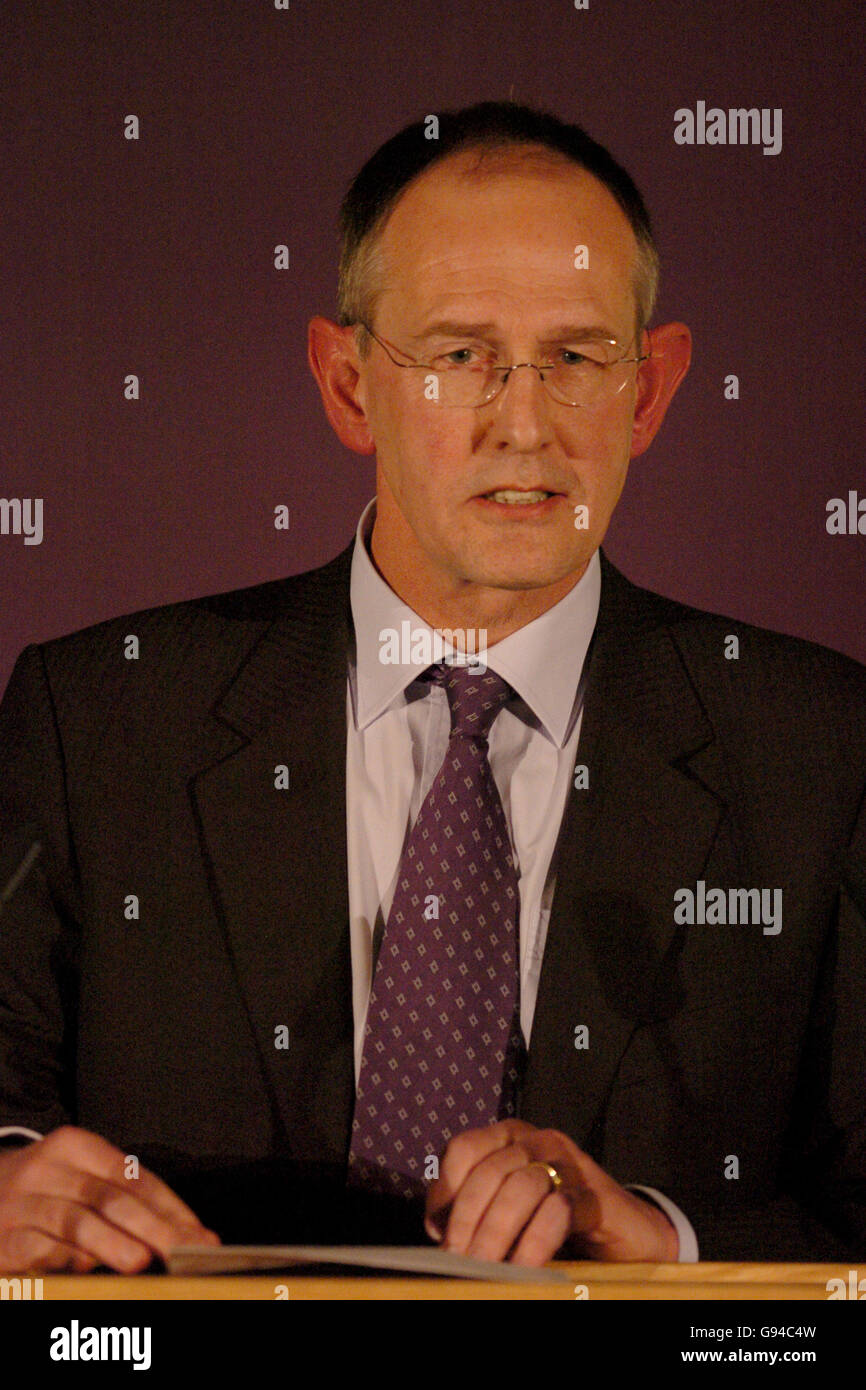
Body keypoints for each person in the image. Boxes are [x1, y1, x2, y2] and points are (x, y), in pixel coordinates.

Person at [0, 102, 864, 1276]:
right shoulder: (93, 717)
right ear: (349, 385)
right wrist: (12, 1187)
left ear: (650, 390)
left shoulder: (822, 747)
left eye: (574, 358)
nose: (523, 424)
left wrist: (661, 1240)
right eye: (459, 356)